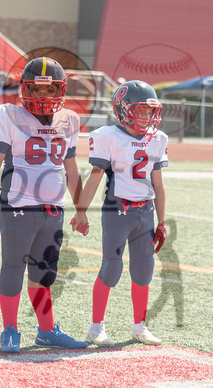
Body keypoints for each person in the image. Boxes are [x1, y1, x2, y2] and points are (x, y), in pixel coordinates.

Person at [0, 57, 88, 352]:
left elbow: (71, 169)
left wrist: (81, 208)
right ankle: (9, 330)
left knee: (43, 275)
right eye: (36, 89)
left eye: (49, 90)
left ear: (61, 90)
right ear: (24, 89)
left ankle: (46, 331)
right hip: (18, 206)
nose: (42, 96)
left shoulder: (69, 119)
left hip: (53, 209)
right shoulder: (6, 115)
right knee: (12, 269)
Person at [71, 80, 168, 347]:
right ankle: (95, 328)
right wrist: (81, 212)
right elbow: (94, 178)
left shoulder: (157, 139)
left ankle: (139, 327)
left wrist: (161, 221)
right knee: (112, 268)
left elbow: (158, 185)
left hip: (145, 212)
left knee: (144, 269)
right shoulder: (107, 135)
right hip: (118, 209)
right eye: (142, 110)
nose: (148, 116)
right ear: (124, 109)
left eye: (151, 111)